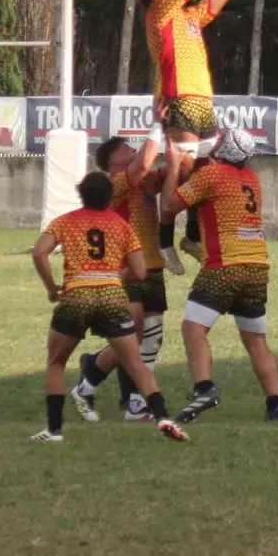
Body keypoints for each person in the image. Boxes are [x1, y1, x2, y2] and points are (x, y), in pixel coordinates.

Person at [131, 0, 266, 274]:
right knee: (183, 169)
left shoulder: (189, 18)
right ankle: (164, 242)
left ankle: (190, 236)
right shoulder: (159, 14)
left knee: (203, 173)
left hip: (203, 101)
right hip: (179, 98)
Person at [29, 171, 187, 442]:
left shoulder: (65, 221)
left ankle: (54, 430)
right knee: (136, 363)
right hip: (113, 297)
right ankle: (162, 417)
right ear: (109, 196)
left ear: (81, 194)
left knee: (56, 363)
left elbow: (38, 252)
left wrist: (51, 287)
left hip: (77, 296)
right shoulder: (121, 225)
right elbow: (139, 271)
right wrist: (114, 278)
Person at [161, 128, 278, 423]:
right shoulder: (251, 179)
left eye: (220, 141)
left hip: (225, 265)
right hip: (257, 265)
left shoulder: (211, 177)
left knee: (193, 328)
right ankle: (276, 405)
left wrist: (173, 167)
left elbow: (168, 206)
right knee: (256, 340)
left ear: (225, 149)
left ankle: (204, 389)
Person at [70, 132, 169, 422]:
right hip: (124, 269)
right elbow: (142, 164)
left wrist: (184, 146)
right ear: (114, 159)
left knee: (152, 337)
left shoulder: (146, 179)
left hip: (152, 267)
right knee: (132, 335)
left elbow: (173, 172)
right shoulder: (115, 183)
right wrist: (158, 126)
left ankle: (131, 399)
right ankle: (98, 383)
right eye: (126, 147)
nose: (133, 148)